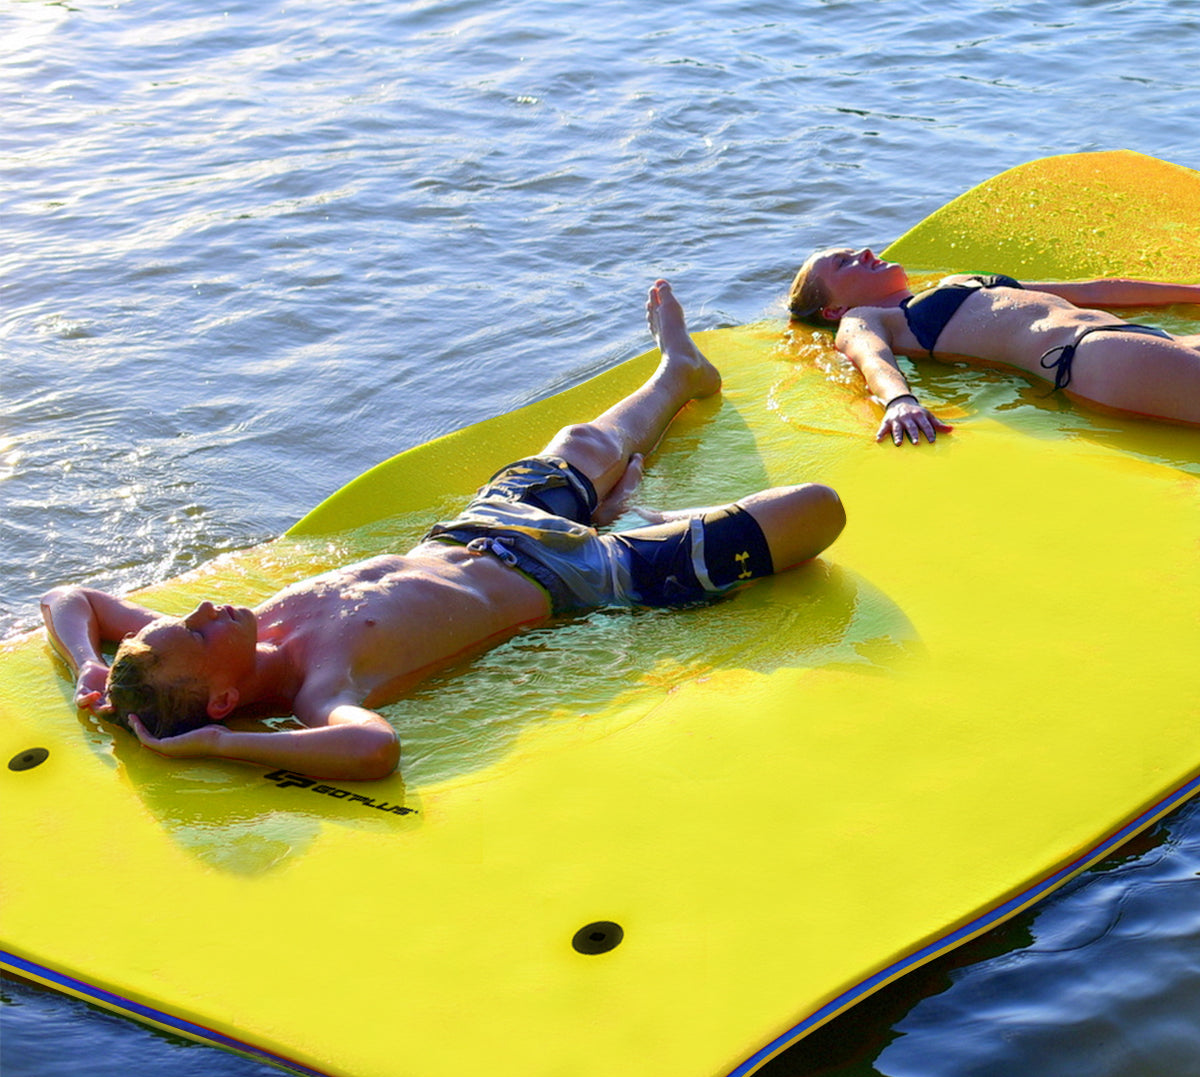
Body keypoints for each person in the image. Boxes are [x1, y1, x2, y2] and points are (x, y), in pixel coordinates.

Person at [42, 281, 846, 780]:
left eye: (189, 615)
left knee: (581, 444)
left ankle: (678, 372)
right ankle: (638, 521)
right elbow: (374, 751)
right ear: (222, 699)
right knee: (816, 507)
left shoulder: (236, 642)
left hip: (481, 527)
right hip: (579, 578)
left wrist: (86, 662)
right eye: (199, 630)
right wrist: (212, 752)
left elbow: (70, 596)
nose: (206, 609)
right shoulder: (319, 690)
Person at [787, 247, 1200, 446]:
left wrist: (1192, 292)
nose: (865, 252)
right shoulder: (873, 318)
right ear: (832, 310)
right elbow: (870, 355)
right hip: (1092, 355)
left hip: (1146, 338)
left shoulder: (959, 281)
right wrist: (900, 401)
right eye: (844, 263)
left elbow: (1096, 291)